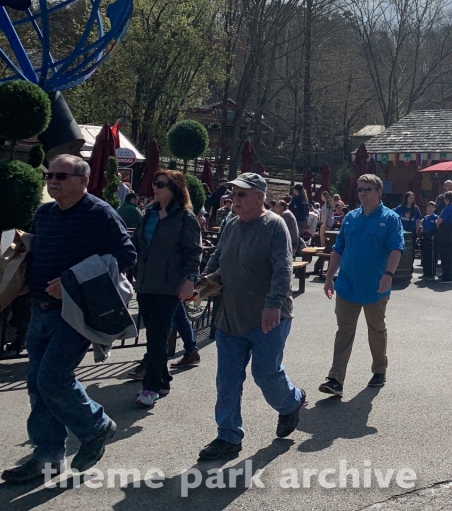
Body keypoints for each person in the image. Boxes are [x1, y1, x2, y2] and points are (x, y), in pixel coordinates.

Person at [2, 155, 137, 484]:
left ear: (83, 180)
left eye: (62, 175)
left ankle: (97, 426)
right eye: (50, 174)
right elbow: (40, 254)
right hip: (39, 310)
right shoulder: (45, 213)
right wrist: (19, 281)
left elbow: (125, 256)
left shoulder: (100, 213)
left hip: (73, 314)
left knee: (52, 379)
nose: (53, 180)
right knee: (36, 385)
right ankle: (46, 457)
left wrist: (72, 280)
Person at [198, 173, 304, 461]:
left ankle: (291, 402)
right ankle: (228, 436)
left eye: (243, 194)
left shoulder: (274, 225)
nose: (236, 199)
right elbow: (218, 257)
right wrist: (202, 281)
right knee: (227, 380)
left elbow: (284, 269)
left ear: (260, 197)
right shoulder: (231, 224)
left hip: (269, 317)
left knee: (265, 374)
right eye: (234, 193)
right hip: (230, 316)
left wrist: (272, 305)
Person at [319, 174, 403, 398]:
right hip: (347, 285)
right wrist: (329, 277)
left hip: (376, 286)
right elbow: (339, 248)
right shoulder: (350, 218)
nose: (362, 193)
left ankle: (379, 369)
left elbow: (396, 249)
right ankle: (335, 379)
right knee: (344, 331)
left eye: (367, 189)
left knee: (376, 329)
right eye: (359, 189)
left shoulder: (391, 218)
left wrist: (388, 274)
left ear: (378, 192)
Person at [129, 170, 202, 408]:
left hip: (170, 285)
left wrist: (190, 279)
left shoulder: (184, 217)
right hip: (145, 282)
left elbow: (193, 251)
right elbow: (137, 244)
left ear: (174, 189)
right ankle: (163, 380)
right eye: (154, 182)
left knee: (158, 333)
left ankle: (150, 387)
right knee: (153, 331)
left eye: (161, 184)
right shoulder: (147, 213)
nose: (155, 187)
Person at [436, 191, 452, 282]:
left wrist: (437, 224)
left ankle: (446, 276)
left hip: (446, 233)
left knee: (445, 255)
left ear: (447, 199)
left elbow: (438, 221)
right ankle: (449, 274)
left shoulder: (447, 209)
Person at [418, 201, 440, 279]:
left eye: (432, 207)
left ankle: (431, 274)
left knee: (432, 257)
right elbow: (422, 228)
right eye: (429, 207)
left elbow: (438, 229)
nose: (430, 209)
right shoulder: (425, 218)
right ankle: (425, 273)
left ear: (434, 209)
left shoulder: (436, 217)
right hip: (425, 238)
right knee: (425, 256)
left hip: (432, 239)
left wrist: (434, 236)